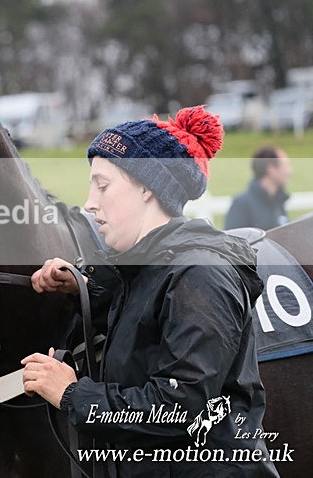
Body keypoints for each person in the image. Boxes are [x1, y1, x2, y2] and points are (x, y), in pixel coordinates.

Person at [21, 106, 278, 477]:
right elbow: (143, 333)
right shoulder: (146, 270)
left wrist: (72, 394)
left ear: (147, 188)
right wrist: (83, 285)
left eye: (103, 186)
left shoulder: (200, 276)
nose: (90, 203)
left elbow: (181, 409)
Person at [224, 146, 292, 230]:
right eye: (285, 165)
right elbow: (232, 241)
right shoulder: (241, 205)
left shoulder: (278, 201)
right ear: (271, 169)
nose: (289, 171)